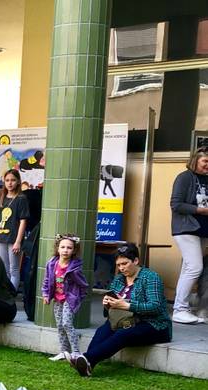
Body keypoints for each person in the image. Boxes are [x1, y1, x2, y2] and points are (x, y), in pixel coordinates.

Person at [70, 244, 171, 377]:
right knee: (102, 331)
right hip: (122, 320)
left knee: (122, 334)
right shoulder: (118, 280)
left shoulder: (151, 277)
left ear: (136, 261)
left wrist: (127, 305)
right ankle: (88, 363)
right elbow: (109, 313)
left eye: (125, 263)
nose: (122, 268)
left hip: (153, 324)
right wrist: (107, 305)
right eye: (118, 265)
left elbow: (155, 306)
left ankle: (86, 359)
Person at [169, 148, 208, 324]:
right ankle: (180, 310)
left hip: (202, 231)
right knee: (194, 267)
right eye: (205, 161)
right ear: (196, 160)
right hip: (186, 229)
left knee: (188, 268)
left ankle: (181, 307)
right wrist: (201, 210)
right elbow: (176, 204)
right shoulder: (184, 177)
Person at [42, 234, 89, 361]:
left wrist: (78, 297)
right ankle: (64, 352)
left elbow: (83, 285)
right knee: (60, 325)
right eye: (62, 247)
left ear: (74, 250)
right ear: (57, 248)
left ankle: (76, 352)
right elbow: (46, 280)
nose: (65, 250)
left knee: (67, 323)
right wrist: (46, 294)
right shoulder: (52, 263)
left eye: (69, 248)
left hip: (70, 299)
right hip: (57, 298)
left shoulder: (74, 268)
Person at [0, 169, 29, 291]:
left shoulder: (21, 198)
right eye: (7, 180)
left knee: (14, 269)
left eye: (13, 180)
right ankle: (5, 294)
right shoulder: (2, 198)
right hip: (1, 237)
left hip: (14, 238)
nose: (10, 183)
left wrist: (18, 241)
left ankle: (11, 295)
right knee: (4, 268)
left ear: (18, 181)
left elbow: (23, 221)